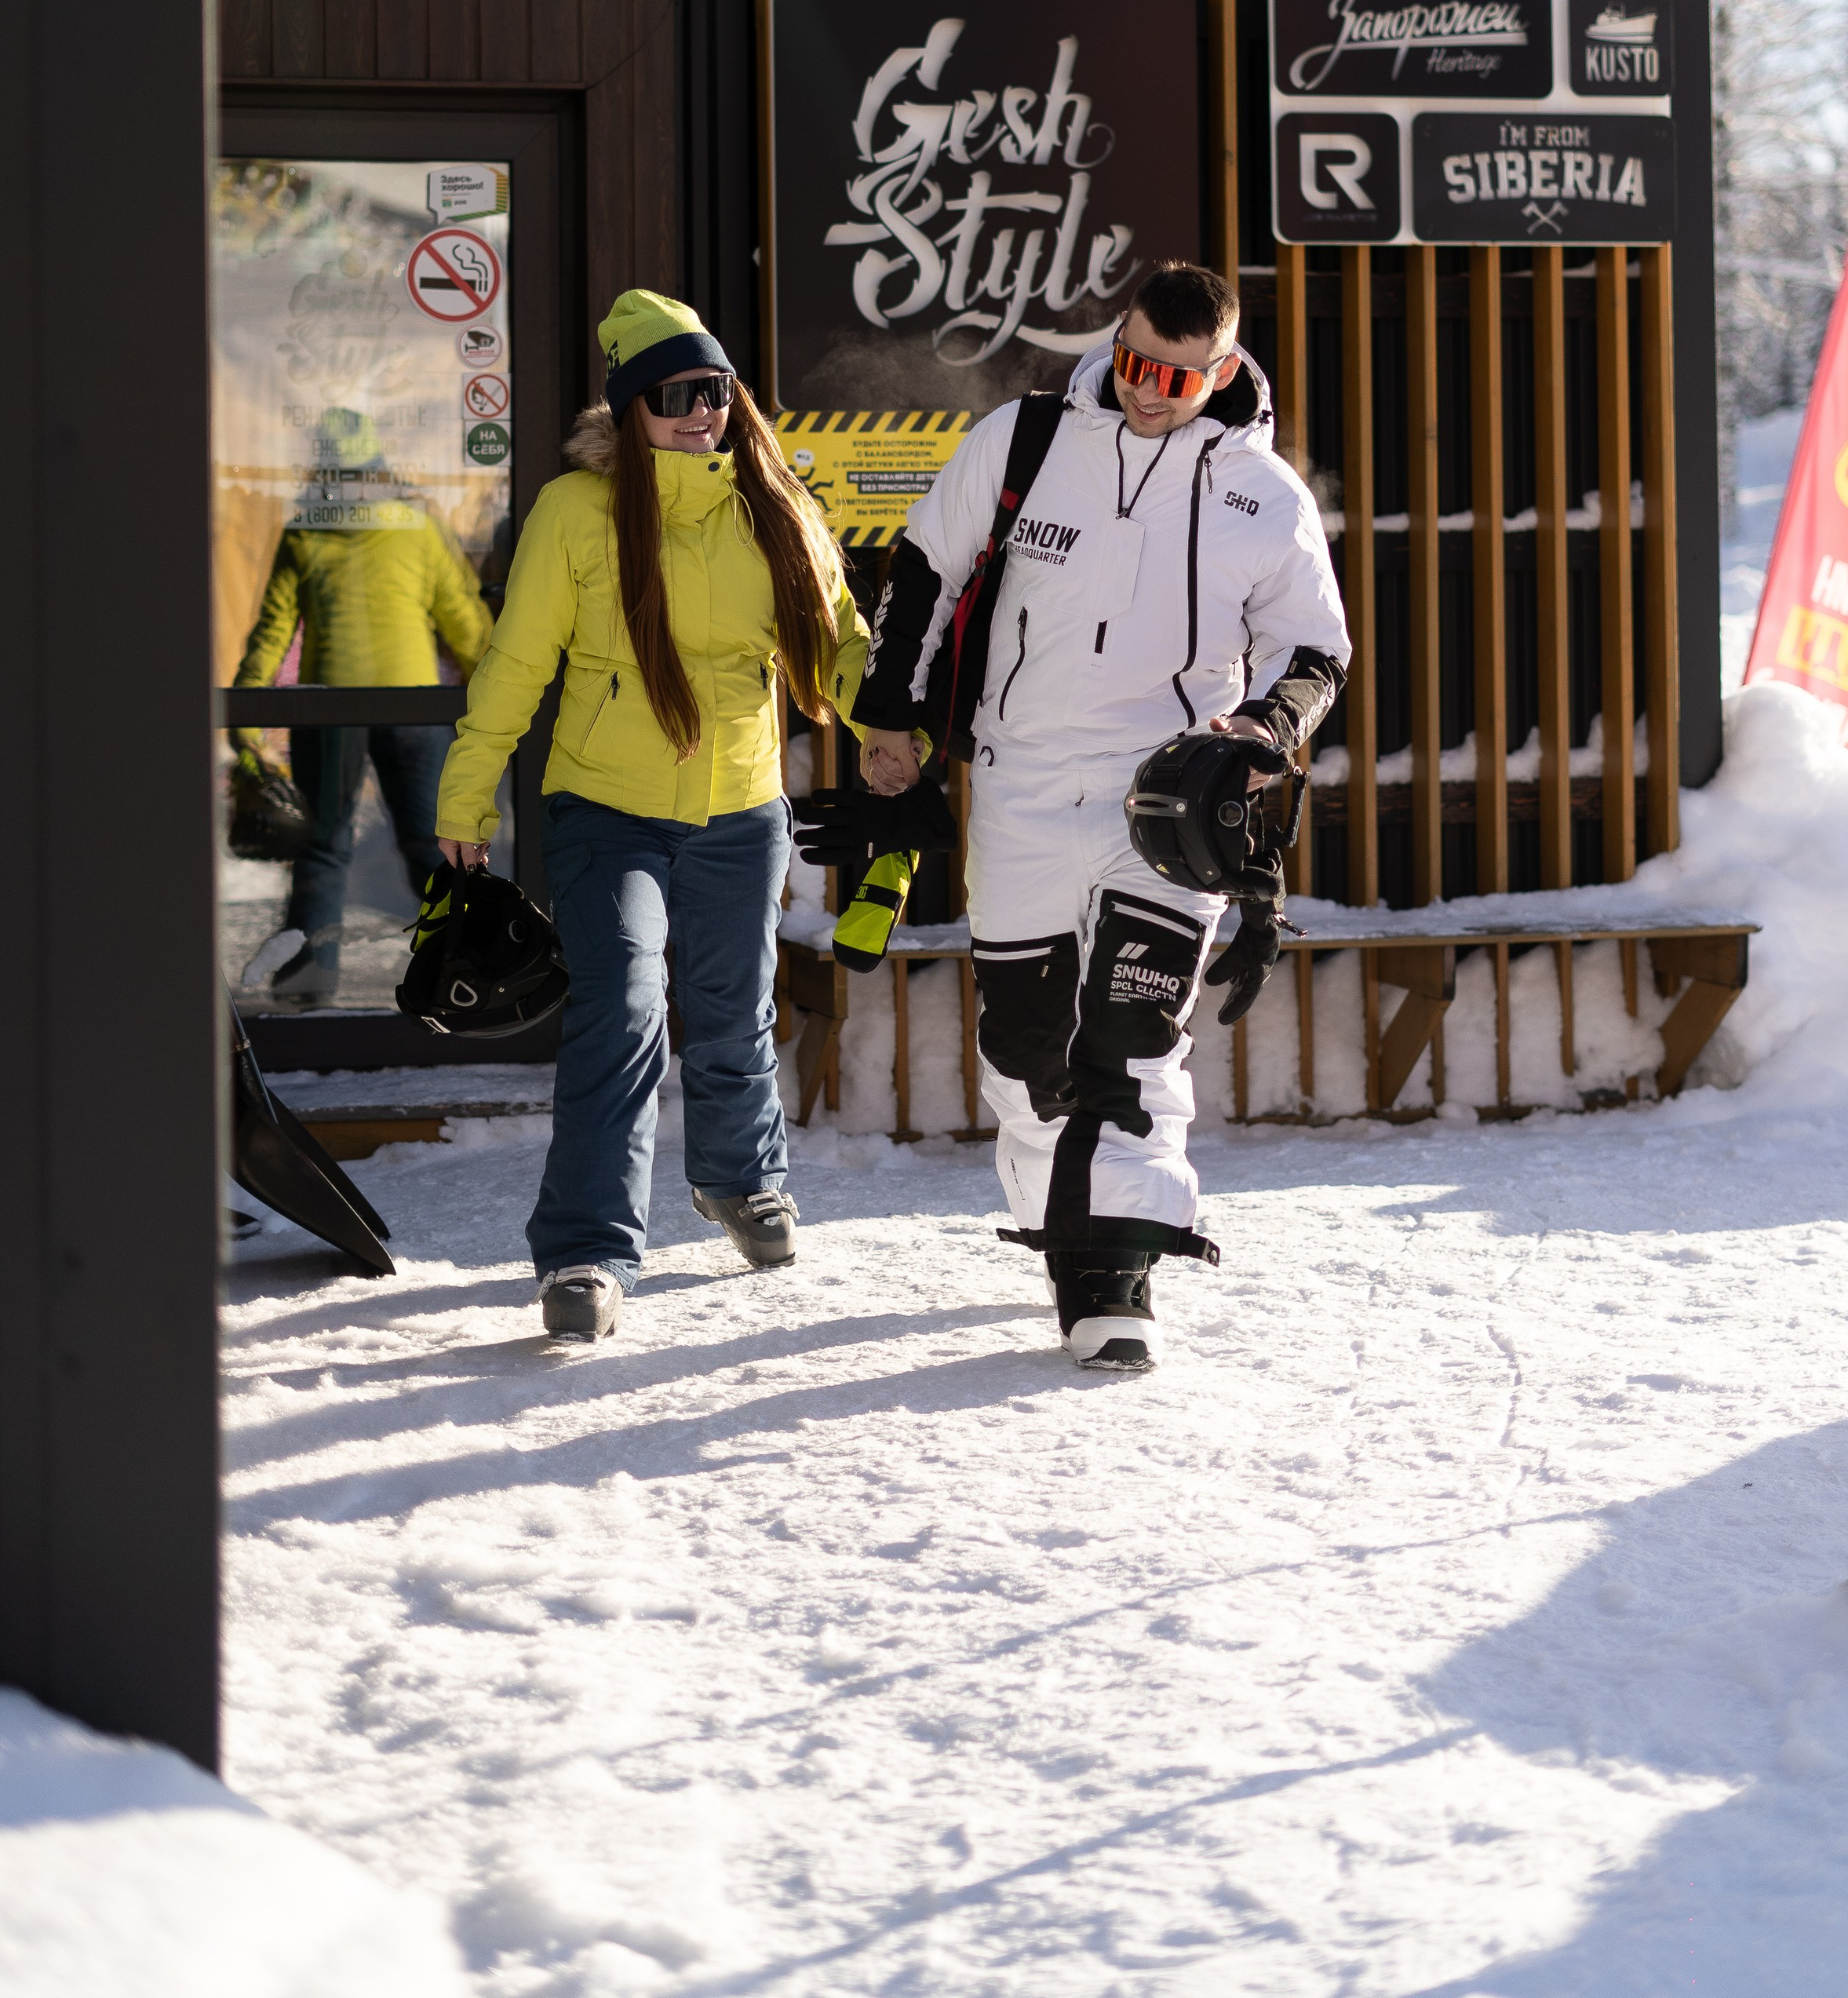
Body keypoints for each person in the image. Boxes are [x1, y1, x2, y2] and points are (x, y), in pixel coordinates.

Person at [854, 261, 1350, 1372]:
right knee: (1029, 1045)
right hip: (1022, 782)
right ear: (1112, 342)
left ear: (1222, 370)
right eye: (1131, 363)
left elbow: (1316, 650)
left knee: (1133, 1036)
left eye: (1177, 377)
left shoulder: (1262, 492)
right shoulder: (1026, 440)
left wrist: (1266, 731)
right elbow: (924, 570)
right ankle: (1060, 1217)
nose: (1148, 392)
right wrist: (890, 717)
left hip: (1167, 801)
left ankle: (1113, 1269)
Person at [436, 290, 871, 1343]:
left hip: (739, 807)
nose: (702, 413)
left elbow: (839, 642)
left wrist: (890, 727)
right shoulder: (577, 513)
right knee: (623, 1009)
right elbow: (516, 663)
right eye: (677, 395)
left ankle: (741, 1179)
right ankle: (586, 1248)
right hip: (605, 807)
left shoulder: (775, 502)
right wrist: (467, 788)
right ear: (632, 407)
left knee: (730, 1011)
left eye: (716, 392)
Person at [231, 407, 492, 1004]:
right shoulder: (418, 528)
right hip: (414, 707)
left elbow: (272, 634)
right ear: (379, 466)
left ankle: (306, 990)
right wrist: (500, 705)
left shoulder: (307, 529)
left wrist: (245, 722)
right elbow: (468, 626)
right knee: (433, 847)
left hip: (331, 712)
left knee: (323, 851)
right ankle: (466, 976)